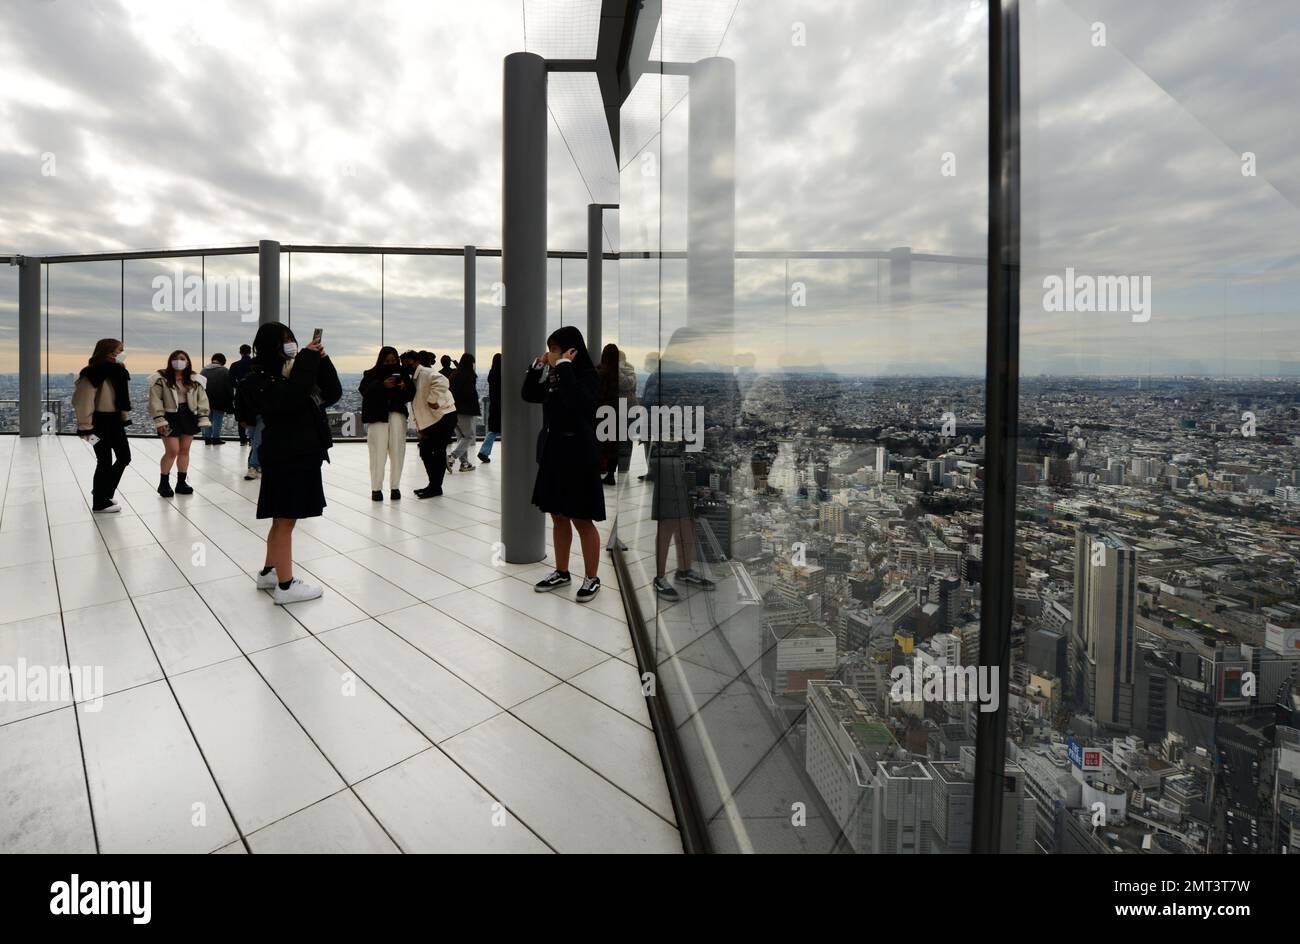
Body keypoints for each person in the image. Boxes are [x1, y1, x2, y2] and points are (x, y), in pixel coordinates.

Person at [235, 321, 341, 604]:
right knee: (285, 520)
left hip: (298, 451)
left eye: (292, 338)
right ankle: (285, 585)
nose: (291, 344)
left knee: (281, 518)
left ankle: (270, 572)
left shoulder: (292, 373)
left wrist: (322, 359)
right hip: (288, 454)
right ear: (271, 345)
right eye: (284, 340)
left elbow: (331, 393)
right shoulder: (260, 378)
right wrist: (307, 360)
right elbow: (291, 399)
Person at [522, 325, 605, 603]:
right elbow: (531, 395)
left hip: (579, 453)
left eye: (555, 349)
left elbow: (580, 404)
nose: (551, 354)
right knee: (557, 515)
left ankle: (592, 577)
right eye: (551, 349)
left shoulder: (586, 376)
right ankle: (562, 571)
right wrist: (536, 367)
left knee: (582, 517)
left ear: (571, 350)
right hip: (555, 451)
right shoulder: (556, 374)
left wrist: (566, 366)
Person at [644, 329, 716, 599]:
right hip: (668, 453)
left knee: (688, 518)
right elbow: (648, 413)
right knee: (669, 518)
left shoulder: (688, 374)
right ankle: (660, 576)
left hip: (690, 453)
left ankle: (684, 569)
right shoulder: (661, 376)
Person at [73, 338, 132, 513]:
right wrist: (85, 427)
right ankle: (99, 501)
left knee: (124, 457)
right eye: (120, 350)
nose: (123, 353)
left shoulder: (118, 371)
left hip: (114, 422)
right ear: (108, 352)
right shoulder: (92, 373)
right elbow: (82, 400)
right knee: (104, 461)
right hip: (96, 423)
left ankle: (103, 492)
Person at [148, 350, 211, 497]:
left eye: (182, 358)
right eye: (175, 358)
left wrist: (203, 416)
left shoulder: (195, 379)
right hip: (169, 416)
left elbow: (202, 399)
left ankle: (181, 482)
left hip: (189, 415)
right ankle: (163, 483)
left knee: (184, 450)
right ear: (170, 361)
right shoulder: (160, 379)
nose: (178, 361)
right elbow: (155, 400)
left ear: (188, 361)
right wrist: (159, 419)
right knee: (172, 450)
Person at [359, 346, 415, 501]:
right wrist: (382, 385)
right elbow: (364, 391)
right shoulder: (371, 374)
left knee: (398, 451)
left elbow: (411, 394)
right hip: (378, 416)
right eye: (387, 361)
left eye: (393, 360)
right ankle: (376, 488)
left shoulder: (403, 374)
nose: (390, 363)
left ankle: (395, 487)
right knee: (377, 453)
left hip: (397, 414)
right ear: (381, 360)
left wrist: (404, 386)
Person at [402, 349, 456, 498]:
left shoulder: (425, 373)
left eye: (408, 362)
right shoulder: (414, 377)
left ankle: (435, 486)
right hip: (435, 419)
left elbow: (443, 381)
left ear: (417, 361)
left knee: (436, 452)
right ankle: (434, 485)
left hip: (443, 417)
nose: (406, 365)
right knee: (428, 452)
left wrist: (433, 400)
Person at [448, 352, 479, 472]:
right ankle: (452, 457)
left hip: (454, 409)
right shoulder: (469, 376)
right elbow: (469, 393)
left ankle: (465, 463)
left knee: (461, 437)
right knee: (469, 436)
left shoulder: (454, 375)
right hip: (466, 410)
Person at [596, 343, 622, 486]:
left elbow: (596, 393)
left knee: (600, 443)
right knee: (613, 445)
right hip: (616, 412)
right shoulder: (619, 374)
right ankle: (611, 474)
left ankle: (599, 469)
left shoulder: (600, 371)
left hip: (602, 412)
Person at [200, 353, 233, 445]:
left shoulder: (203, 371)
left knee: (208, 419)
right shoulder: (224, 371)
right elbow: (228, 387)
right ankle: (216, 438)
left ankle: (207, 438)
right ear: (222, 361)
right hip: (220, 399)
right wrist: (231, 398)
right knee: (217, 419)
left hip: (206, 399)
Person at [478, 352, 501, 463]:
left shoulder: (492, 374)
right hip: (503, 405)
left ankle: (484, 452)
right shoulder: (502, 374)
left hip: (494, 405)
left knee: (492, 431)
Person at [228, 344, 253, 444]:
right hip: (253, 392)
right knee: (252, 414)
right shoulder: (254, 363)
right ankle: (252, 438)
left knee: (241, 414)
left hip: (240, 392)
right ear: (250, 352)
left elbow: (230, 380)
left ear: (240, 352)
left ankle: (243, 439)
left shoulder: (235, 365)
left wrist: (238, 386)